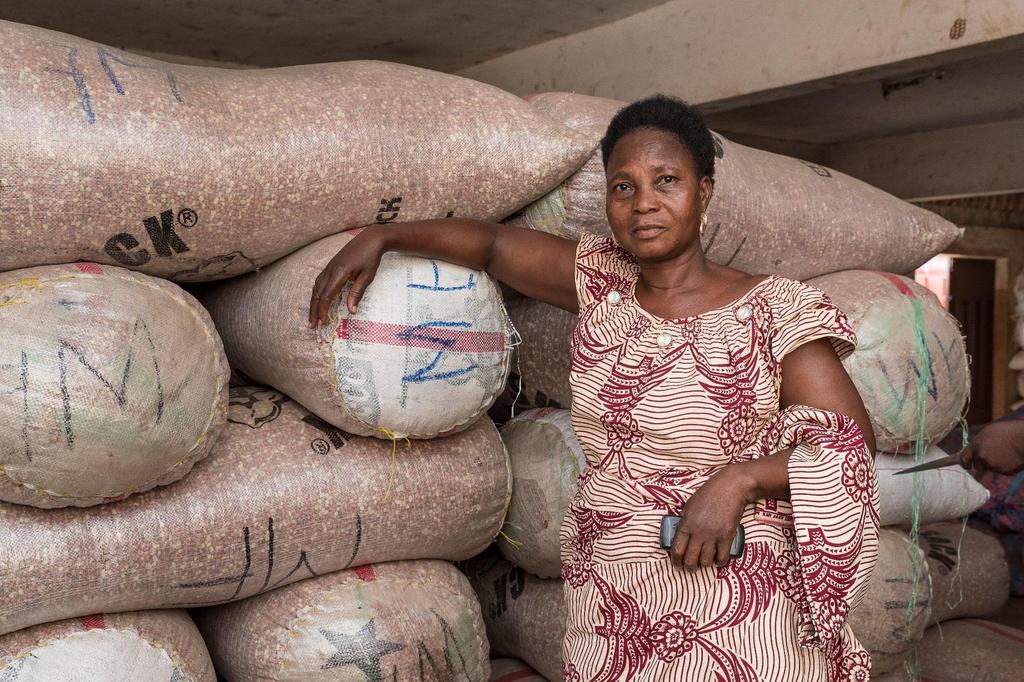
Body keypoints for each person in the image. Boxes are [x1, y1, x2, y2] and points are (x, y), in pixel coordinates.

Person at [309, 95, 880, 681]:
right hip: (614, 600)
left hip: (738, 598)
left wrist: (737, 481)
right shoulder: (603, 282)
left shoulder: (775, 307)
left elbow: (848, 444)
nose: (644, 204)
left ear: (703, 192)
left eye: (667, 181)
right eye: (623, 187)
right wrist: (387, 236)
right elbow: (492, 246)